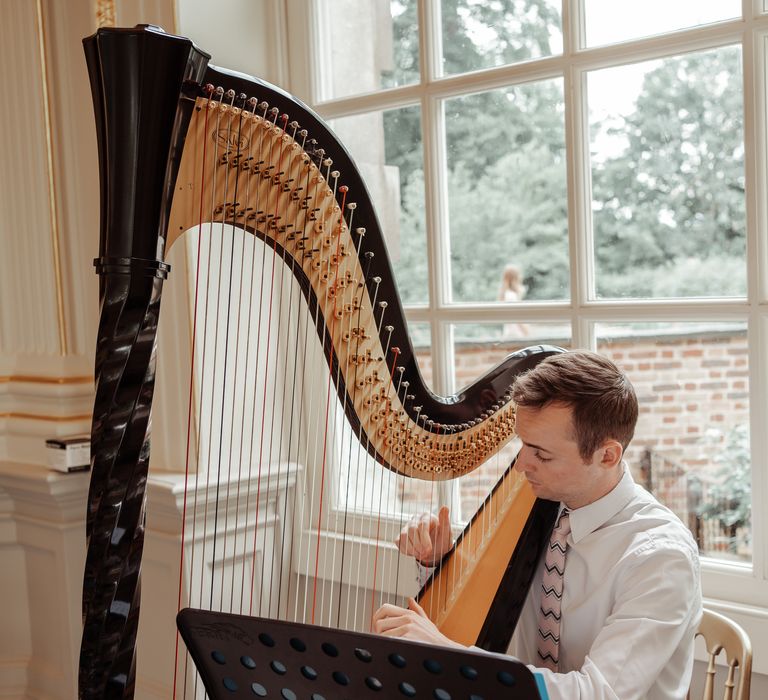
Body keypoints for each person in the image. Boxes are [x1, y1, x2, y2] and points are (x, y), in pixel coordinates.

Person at [373, 351, 702, 700]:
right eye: (523, 446)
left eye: (542, 454)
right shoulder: (543, 504)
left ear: (607, 455)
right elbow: (479, 603)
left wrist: (451, 655)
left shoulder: (661, 559)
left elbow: (595, 694)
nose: (521, 465)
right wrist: (438, 560)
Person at [499, 263, 529, 337]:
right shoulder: (511, 296)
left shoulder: (507, 294)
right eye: (519, 275)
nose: (521, 277)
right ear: (514, 278)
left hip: (509, 332)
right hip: (515, 333)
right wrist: (526, 332)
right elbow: (517, 317)